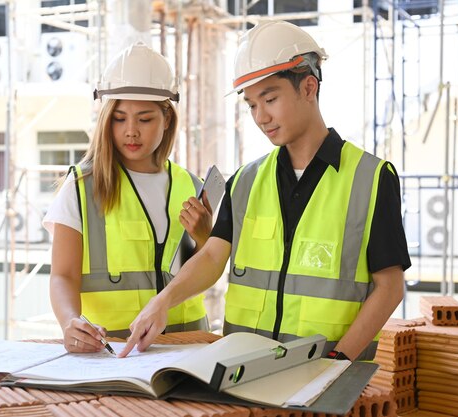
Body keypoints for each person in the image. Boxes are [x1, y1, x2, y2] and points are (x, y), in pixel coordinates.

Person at [119, 21, 411, 361]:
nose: (261, 116)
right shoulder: (245, 180)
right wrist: (162, 301)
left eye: (270, 99)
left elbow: (389, 287)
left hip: (327, 376)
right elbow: (213, 256)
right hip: (242, 371)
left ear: (308, 88)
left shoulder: (371, 178)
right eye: (252, 105)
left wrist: (339, 360)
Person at [43, 42, 213, 353]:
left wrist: (205, 238)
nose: (131, 131)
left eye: (144, 119)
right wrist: (69, 322)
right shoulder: (82, 186)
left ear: (167, 120)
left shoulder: (191, 184)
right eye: (120, 118)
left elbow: (205, 268)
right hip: (114, 356)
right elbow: (62, 276)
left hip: (190, 352)